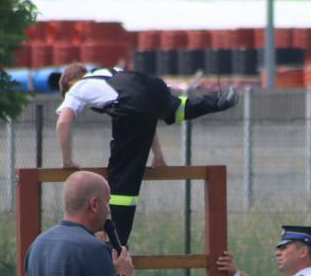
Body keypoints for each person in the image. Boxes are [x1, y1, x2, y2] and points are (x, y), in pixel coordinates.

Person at [55, 63, 239, 244]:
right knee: (179, 108)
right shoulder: (109, 73)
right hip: (153, 88)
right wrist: (157, 153)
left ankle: (116, 245)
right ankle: (218, 100)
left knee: (122, 178)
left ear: (70, 85)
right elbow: (143, 112)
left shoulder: (77, 88)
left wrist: (67, 160)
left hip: (131, 106)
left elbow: (63, 122)